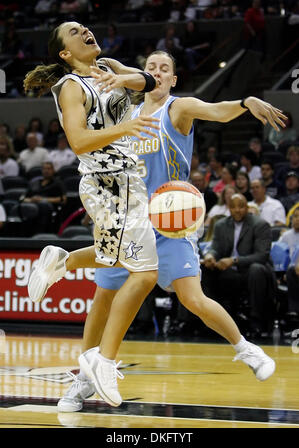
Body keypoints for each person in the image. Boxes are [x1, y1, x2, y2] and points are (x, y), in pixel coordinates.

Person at [57, 50, 286, 412]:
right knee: (102, 301)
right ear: (142, 74)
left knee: (193, 299)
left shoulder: (177, 109)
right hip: (129, 225)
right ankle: (84, 380)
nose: (157, 72)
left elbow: (217, 110)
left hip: (170, 226)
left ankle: (247, 349)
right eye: (151, 67)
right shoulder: (125, 114)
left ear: (173, 80)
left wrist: (244, 102)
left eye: (165, 69)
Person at [24, 21, 161, 408]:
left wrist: (124, 78)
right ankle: (102, 359)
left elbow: (148, 83)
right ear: (65, 53)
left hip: (124, 178)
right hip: (109, 180)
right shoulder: (70, 87)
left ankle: (62, 260)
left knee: (115, 256)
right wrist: (128, 126)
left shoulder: (108, 66)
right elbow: (79, 140)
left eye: (84, 26)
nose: (85, 30)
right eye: (74, 31)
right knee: (144, 272)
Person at [202, 193, 276, 336]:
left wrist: (234, 260)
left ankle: (257, 321)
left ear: (247, 207)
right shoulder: (220, 225)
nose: (237, 210)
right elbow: (215, 247)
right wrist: (210, 256)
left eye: (241, 207)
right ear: (228, 208)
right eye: (233, 207)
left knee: (256, 269)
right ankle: (210, 322)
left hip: (253, 271)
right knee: (206, 270)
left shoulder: (260, 224)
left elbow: (262, 256)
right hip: (230, 272)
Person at [22, 161, 67, 233]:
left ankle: (40, 232)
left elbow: (63, 199)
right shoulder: (35, 183)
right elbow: (23, 199)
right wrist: (32, 200)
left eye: (49, 169)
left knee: (43, 205)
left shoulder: (58, 183)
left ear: (53, 170)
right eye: (44, 169)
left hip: (49, 209)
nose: (46, 171)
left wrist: (43, 199)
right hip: (32, 206)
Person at [278, 207, 299, 317]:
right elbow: (277, 255)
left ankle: (295, 309)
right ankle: (293, 312)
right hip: (286, 272)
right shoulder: (286, 235)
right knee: (290, 271)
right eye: (295, 216)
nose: (297, 219)